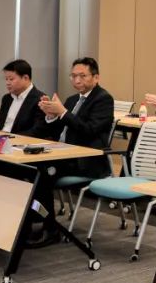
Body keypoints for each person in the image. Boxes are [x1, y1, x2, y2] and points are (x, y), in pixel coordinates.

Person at [34, 57, 115, 245]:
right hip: (63, 155)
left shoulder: (103, 99)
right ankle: (33, 219)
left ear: (96, 77)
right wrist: (51, 116)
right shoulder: (72, 100)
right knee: (29, 169)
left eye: (82, 76)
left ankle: (50, 228)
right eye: (73, 76)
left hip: (86, 160)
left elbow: (89, 130)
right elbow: (57, 131)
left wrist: (63, 113)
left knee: (41, 173)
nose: (77, 80)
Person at [0, 59, 46, 136]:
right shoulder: (7, 98)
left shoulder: (40, 100)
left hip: (20, 140)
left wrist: (10, 137)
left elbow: (37, 131)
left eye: (11, 79)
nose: (7, 83)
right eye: (6, 79)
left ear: (25, 78)